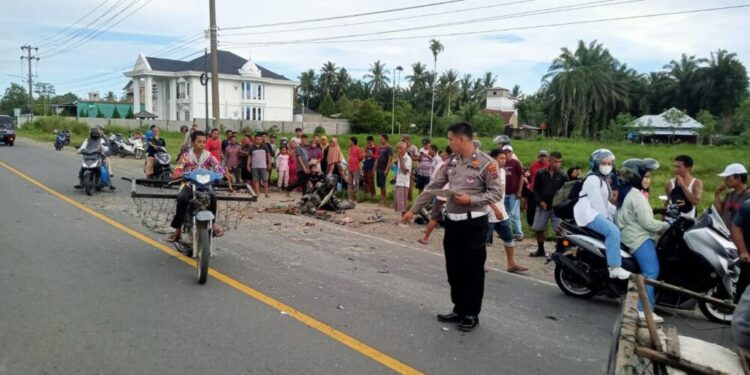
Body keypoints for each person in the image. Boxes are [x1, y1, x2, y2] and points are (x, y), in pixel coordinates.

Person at [400, 122, 501, 332]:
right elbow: (433, 187)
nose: (448, 143)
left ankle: (471, 313)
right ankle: (459, 307)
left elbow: (496, 194)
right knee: (454, 269)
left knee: (472, 270)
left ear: (462, 139)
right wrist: (414, 209)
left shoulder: (487, 163)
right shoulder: (452, 162)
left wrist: (470, 199)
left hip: (474, 223)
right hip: (453, 223)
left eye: (450, 139)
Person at [616, 158, 668, 323]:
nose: (647, 180)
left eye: (649, 177)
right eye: (644, 176)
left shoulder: (626, 191)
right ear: (635, 176)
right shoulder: (636, 195)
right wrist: (667, 225)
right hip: (638, 237)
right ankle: (642, 311)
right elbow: (648, 223)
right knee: (651, 272)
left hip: (631, 233)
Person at [574, 149, 630, 279]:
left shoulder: (603, 179)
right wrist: (608, 219)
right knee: (613, 231)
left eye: (609, 163)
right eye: (603, 163)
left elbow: (606, 202)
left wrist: (619, 212)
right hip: (588, 213)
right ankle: (614, 267)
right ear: (596, 164)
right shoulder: (593, 179)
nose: (607, 166)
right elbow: (597, 203)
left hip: (595, 211)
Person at [167, 130, 227, 242]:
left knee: (213, 197)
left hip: (205, 185)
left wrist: (223, 174)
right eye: (199, 141)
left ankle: (213, 224)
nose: (202, 144)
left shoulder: (208, 156)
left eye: (204, 142)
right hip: (189, 184)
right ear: (193, 142)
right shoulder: (186, 155)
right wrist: (177, 172)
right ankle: (177, 230)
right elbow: (180, 167)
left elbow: (218, 166)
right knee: (182, 198)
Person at [487, 149, 527, 273]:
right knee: (484, 241)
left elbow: (501, 193)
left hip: (501, 211)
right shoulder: (488, 171)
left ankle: (511, 263)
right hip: (488, 211)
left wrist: (500, 209)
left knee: (509, 237)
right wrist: (494, 208)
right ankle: (479, 263)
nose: (504, 161)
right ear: (493, 159)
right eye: (501, 158)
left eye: (505, 158)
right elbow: (486, 193)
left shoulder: (503, 171)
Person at [530, 151, 567, 257]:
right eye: (555, 161)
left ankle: (559, 251)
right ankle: (540, 249)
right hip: (542, 206)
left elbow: (566, 191)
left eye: (560, 162)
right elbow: (535, 189)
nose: (558, 164)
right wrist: (539, 201)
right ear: (549, 161)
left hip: (557, 207)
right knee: (538, 228)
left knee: (559, 229)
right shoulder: (540, 173)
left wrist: (562, 204)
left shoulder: (563, 175)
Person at [419, 146, 452, 245]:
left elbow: (434, 178)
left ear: (446, 153)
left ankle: (426, 238)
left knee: (434, 217)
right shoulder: (460, 164)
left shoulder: (443, 164)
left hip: (441, 194)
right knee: (452, 218)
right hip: (453, 195)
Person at [665, 154, 703, 219]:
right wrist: (662, 219)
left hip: (687, 221)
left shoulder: (696, 183)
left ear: (688, 168)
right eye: (675, 167)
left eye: (678, 167)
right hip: (671, 220)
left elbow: (695, 201)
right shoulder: (670, 183)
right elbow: (668, 201)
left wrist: (682, 185)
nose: (675, 169)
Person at [714, 163, 750, 229]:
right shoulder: (730, 194)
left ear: (738, 178)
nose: (725, 180)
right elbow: (719, 213)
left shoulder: (748, 196)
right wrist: (717, 194)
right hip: (724, 234)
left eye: (728, 177)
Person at [502, 145, 524, 241]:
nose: (507, 154)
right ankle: (509, 233)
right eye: (505, 152)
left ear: (511, 153)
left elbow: (521, 177)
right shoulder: (501, 163)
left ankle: (519, 233)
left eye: (508, 152)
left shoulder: (515, 163)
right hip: (503, 192)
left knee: (514, 214)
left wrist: (519, 190)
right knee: (506, 214)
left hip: (513, 192)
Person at [527, 150, 550, 227]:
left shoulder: (549, 166)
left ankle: (541, 226)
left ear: (547, 157)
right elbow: (528, 175)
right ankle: (531, 224)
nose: (543, 158)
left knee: (542, 208)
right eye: (541, 156)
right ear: (539, 157)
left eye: (544, 156)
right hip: (533, 189)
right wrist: (528, 183)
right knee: (531, 209)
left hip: (543, 190)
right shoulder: (533, 165)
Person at [733, 200, 750, 302]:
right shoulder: (748, 206)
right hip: (749, 258)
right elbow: (736, 227)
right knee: (742, 295)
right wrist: (743, 251)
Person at [394, 142, 412, 215]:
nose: (399, 150)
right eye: (398, 148)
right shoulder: (400, 158)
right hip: (399, 182)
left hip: (404, 183)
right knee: (400, 202)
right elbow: (399, 169)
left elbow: (405, 171)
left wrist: (401, 158)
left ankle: (404, 220)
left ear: (405, 149)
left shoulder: (407, 158)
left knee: (403, 202)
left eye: (401, 148)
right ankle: (403, 219)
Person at [376, 134, 393, 205]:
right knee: (379, 184)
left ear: (385, 139)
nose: (380, 140)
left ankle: (384, 199)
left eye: (381, 139)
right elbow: (377, 157)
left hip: (384, 168)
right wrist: (375, 167)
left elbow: (390, 159)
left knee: (383, 184)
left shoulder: (389, 148)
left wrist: (387, 169)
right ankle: (382, 198)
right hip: (379, 168)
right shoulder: (380, 147)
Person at [403, 135, 419, 201]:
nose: (403, 142)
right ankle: (405, 197)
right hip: (405, 167)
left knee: (410, 183)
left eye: (404, 140)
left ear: (408, 140)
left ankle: (410, 197)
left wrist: (409, 158)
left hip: (412, 167)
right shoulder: (404, 148)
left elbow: (417, 157)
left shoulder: (413, 147)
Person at [347, 137, 364, 201]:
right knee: (349, 183)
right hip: (350, 168)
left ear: (353, 142)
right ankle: (350, 197)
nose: (349, 142)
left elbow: (361, 157)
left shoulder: (358, 149)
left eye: (350, 141)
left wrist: (356, 160)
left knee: (356, 183)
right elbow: (348, 157)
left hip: (355, 168)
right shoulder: (350, 149)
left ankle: (356, 197)